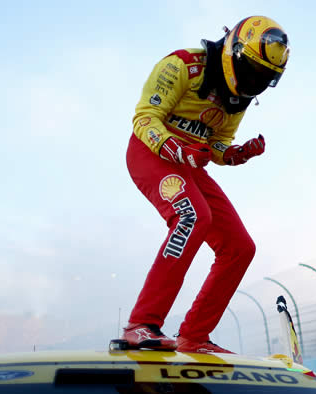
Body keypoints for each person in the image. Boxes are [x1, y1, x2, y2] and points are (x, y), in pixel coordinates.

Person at [122, 16, 290, 354]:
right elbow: (144, 118)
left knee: (240, 247)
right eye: (251, 71)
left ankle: (194, 335)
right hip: (150, 153)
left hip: (191, 164)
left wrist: (236, 153)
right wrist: (178, 150)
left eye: (263, 78)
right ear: (233, 51)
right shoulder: (181, 65)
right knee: (193, 216)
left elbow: (216, 144)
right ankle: (140, 325)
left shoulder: (238, 98)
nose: (252, 82)